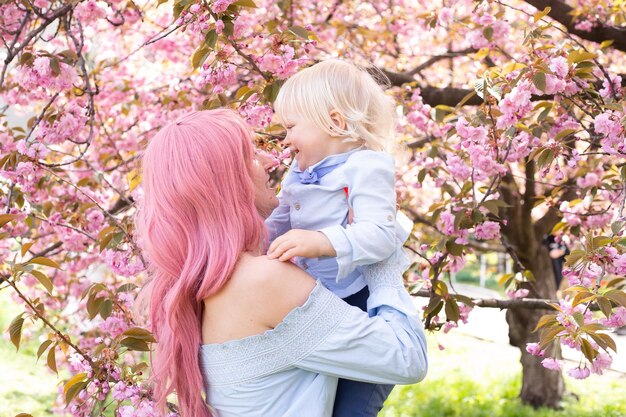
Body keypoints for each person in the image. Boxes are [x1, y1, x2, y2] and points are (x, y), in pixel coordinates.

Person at [135, 109, 427, 417]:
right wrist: (377, 250)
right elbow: (407, 358)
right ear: (228, 182)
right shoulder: (260, 281)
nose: (272, 162)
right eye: (252, 156)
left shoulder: (208, 285)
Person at [266, 59, 410, 416]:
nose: (285, 140)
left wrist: (321, 241)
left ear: (334, 121)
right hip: (320, 303)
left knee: (353, 405)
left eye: (291, 127)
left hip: (361, 300)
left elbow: (380, 236)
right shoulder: (298, 173)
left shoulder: (366, 165)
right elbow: (278, 221)